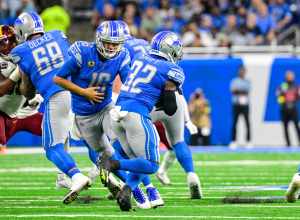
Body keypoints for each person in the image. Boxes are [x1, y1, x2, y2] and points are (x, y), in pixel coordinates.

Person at [54, 20, 150, 209]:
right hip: (84, 115)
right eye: (108, 42)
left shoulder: (122, 56)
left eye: (116, 43)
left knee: (124, 145)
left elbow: (128, 83)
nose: (112, 47)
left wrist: (132, 104)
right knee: (106, 156)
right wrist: (84, 92)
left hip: (106, 109)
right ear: (99, 40)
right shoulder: (83, 53)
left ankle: (143, 188)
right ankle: (123, 183)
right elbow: (58, 78)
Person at [10, 12, 89, 204]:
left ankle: (77, 176)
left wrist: (27, 89)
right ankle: (67, 177)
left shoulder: (20, 52)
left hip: (56, 96)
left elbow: (27, 90)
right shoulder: (58, 35)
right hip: (77, 92)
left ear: (21, 31)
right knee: (62, 141)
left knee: (51, 148)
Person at [102, 31, 186, 211]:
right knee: (151, 164)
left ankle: (127, 190)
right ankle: (113, 163)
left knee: (139, 160)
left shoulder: (140, 58)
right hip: (136, 115)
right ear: (169, 50)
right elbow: (171, 108)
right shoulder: (172, 70)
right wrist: (165, 94)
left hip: (117, 113)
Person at [0, 25, 43, 153]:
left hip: (25, 112)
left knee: (57, 131)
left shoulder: (27, 55)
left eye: (3, 43)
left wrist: (35, 94)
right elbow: (2, 89)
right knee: (1, 146)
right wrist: (20, 70)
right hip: (2, 113)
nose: (2, 47)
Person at [229, 65, 252, 149]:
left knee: (247, 122)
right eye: (240, 71)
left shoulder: (247, 81)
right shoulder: (235, 81)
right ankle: (233, 141)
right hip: (236, 104)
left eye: (243, 71)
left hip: (245, 104)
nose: (242, 72)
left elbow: (247, 90)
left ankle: (248, 141)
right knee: (235, 123)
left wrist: (239, 91)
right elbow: (233, 90)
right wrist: (240, 91)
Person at [276, 71, 300, 147]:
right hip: (284, 109)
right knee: (285, 127)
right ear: (286, 77)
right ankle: (288, 144)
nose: (290, 77)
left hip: (293, 109)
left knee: (296, 126)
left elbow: (298, 96)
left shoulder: (295, 86)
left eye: (291, 76)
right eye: (288, 76)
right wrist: (283, 101)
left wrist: (294, 99)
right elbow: (278, 96)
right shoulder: (283, 85)